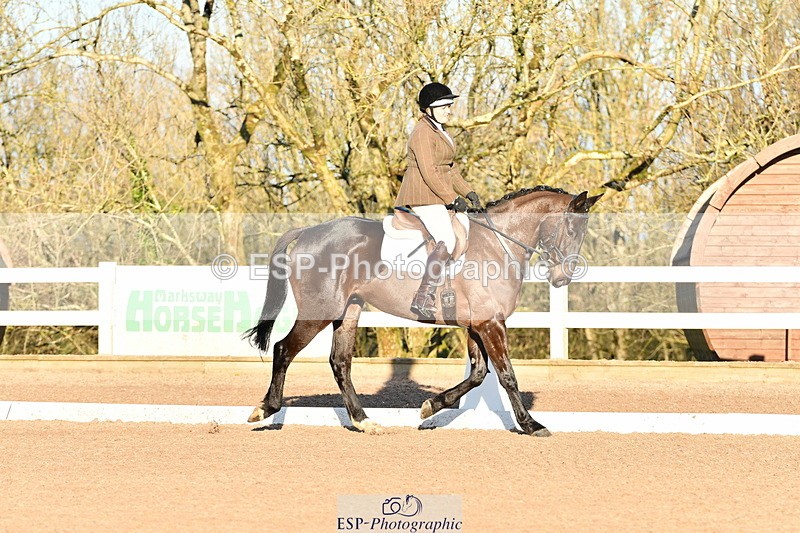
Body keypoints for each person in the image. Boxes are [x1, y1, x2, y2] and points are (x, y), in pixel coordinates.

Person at [395, 82, 482, 319]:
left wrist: (469, 192)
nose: (449, 109)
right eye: (444, 106)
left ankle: (450, 288)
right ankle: (423, 296)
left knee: (464, 229)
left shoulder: (440, 131)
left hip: (438, 193)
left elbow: (449, 169)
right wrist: (451, 198)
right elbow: (429, 171)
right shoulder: (422, 133)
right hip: (423, 195)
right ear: (429, 108)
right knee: (446, 238)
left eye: (449, 105)